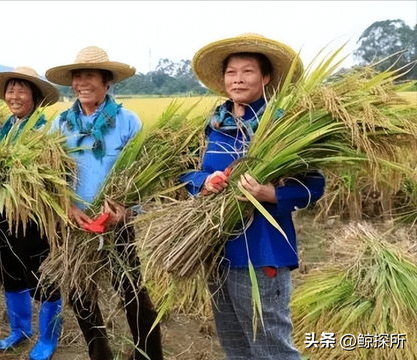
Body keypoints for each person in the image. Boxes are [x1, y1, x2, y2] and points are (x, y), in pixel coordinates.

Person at [180, 33, 326, 360]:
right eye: (231, 72)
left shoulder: (283, 126)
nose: (238, 79)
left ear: (266, 77)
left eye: (247, 71)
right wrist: (205, 182)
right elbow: (185, 171)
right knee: (235, 346)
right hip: (215, 250)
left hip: (262, 252)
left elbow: (314, 185)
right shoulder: (213, 125)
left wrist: (269, 193)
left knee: (271, 348)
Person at [45, 46, 164, 360]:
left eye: (90, 76)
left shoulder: (127, 122)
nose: (82, 82)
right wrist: (67, 206)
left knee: (132, 293)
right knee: (80, 295)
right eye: (77, 76)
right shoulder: (60, 125)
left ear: (107, 81)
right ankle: (100, 354)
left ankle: (148, 355)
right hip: (76, 223)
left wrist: (126, 210)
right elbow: (50, 175)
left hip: (117, 224)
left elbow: (142, 174)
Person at [0, 66, 62, 360]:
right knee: (11, 274)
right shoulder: (4, 130)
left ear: (35, 96)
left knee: (44, 278)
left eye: (21, 90)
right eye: (10, 90)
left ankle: (48, 339)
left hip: (35, 220)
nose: (14, 95)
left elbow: (51, 177)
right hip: (4, 218)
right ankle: (20, 330)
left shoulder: (43, 131)